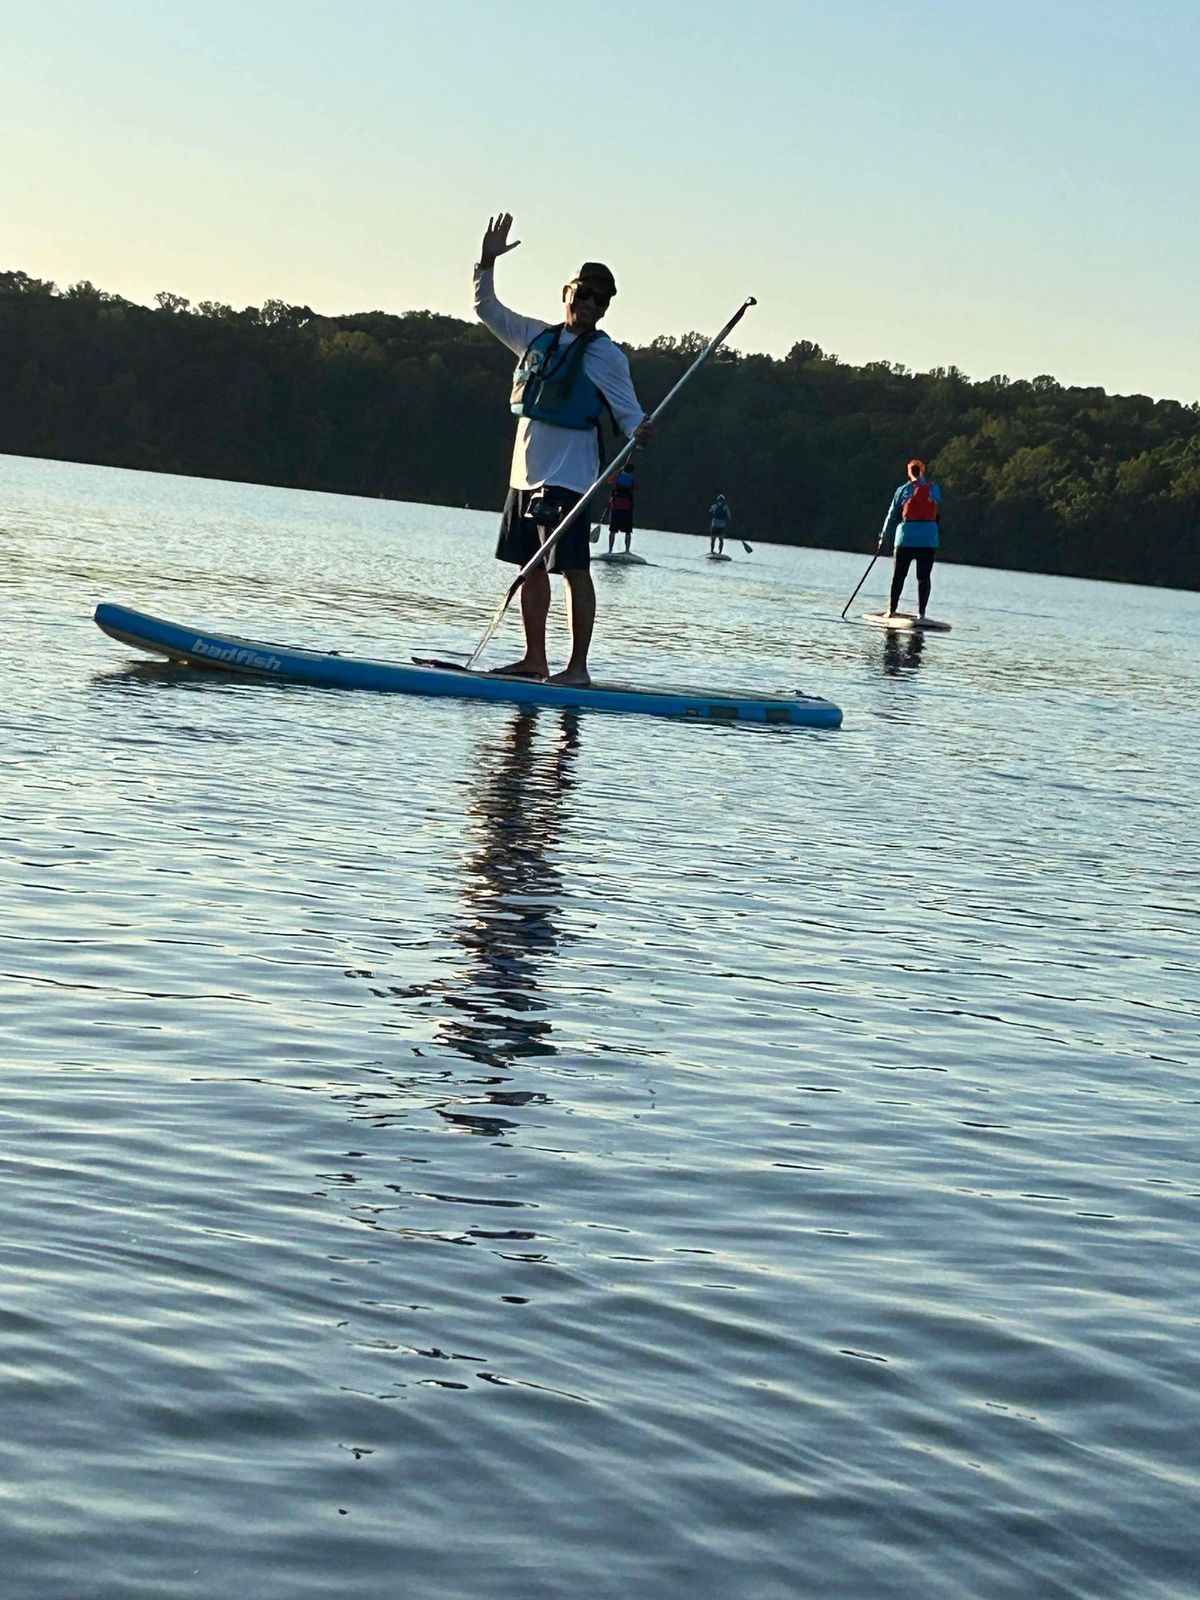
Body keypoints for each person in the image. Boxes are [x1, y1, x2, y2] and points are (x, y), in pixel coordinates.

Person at [474, 212, 650, 685]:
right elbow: (486, 309)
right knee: (529, 565)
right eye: (585, 294)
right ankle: (535, 659)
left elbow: (630, 413)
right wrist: (486, 263)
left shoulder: (606, 356)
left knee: (572, 569)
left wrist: (641, 430)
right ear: (567, 293)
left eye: (602, 300)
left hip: (570, 477)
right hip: (524, 473)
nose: (591, 304)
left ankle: (577, 668)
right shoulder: (535, 337)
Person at [878, 459, 942, 618]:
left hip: (905, 537)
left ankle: (891, 610)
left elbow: (892, 515)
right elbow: (937, 506)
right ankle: (922, 614)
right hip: (928, 539)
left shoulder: (903, 490)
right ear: (923, 471)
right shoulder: (934, 488)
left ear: (909, 472)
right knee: (924, 577)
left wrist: (883, 537)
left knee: (899, 575)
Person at [606, 465, 637, 553]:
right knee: (628, 531)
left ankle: (610, 550)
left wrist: (618, 471)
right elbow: (636, 488)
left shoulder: (617, 478)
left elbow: (609, 480)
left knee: (612, 531)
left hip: (616, 508)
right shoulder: (631, 480)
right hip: (627, 509)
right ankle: (627, 551)